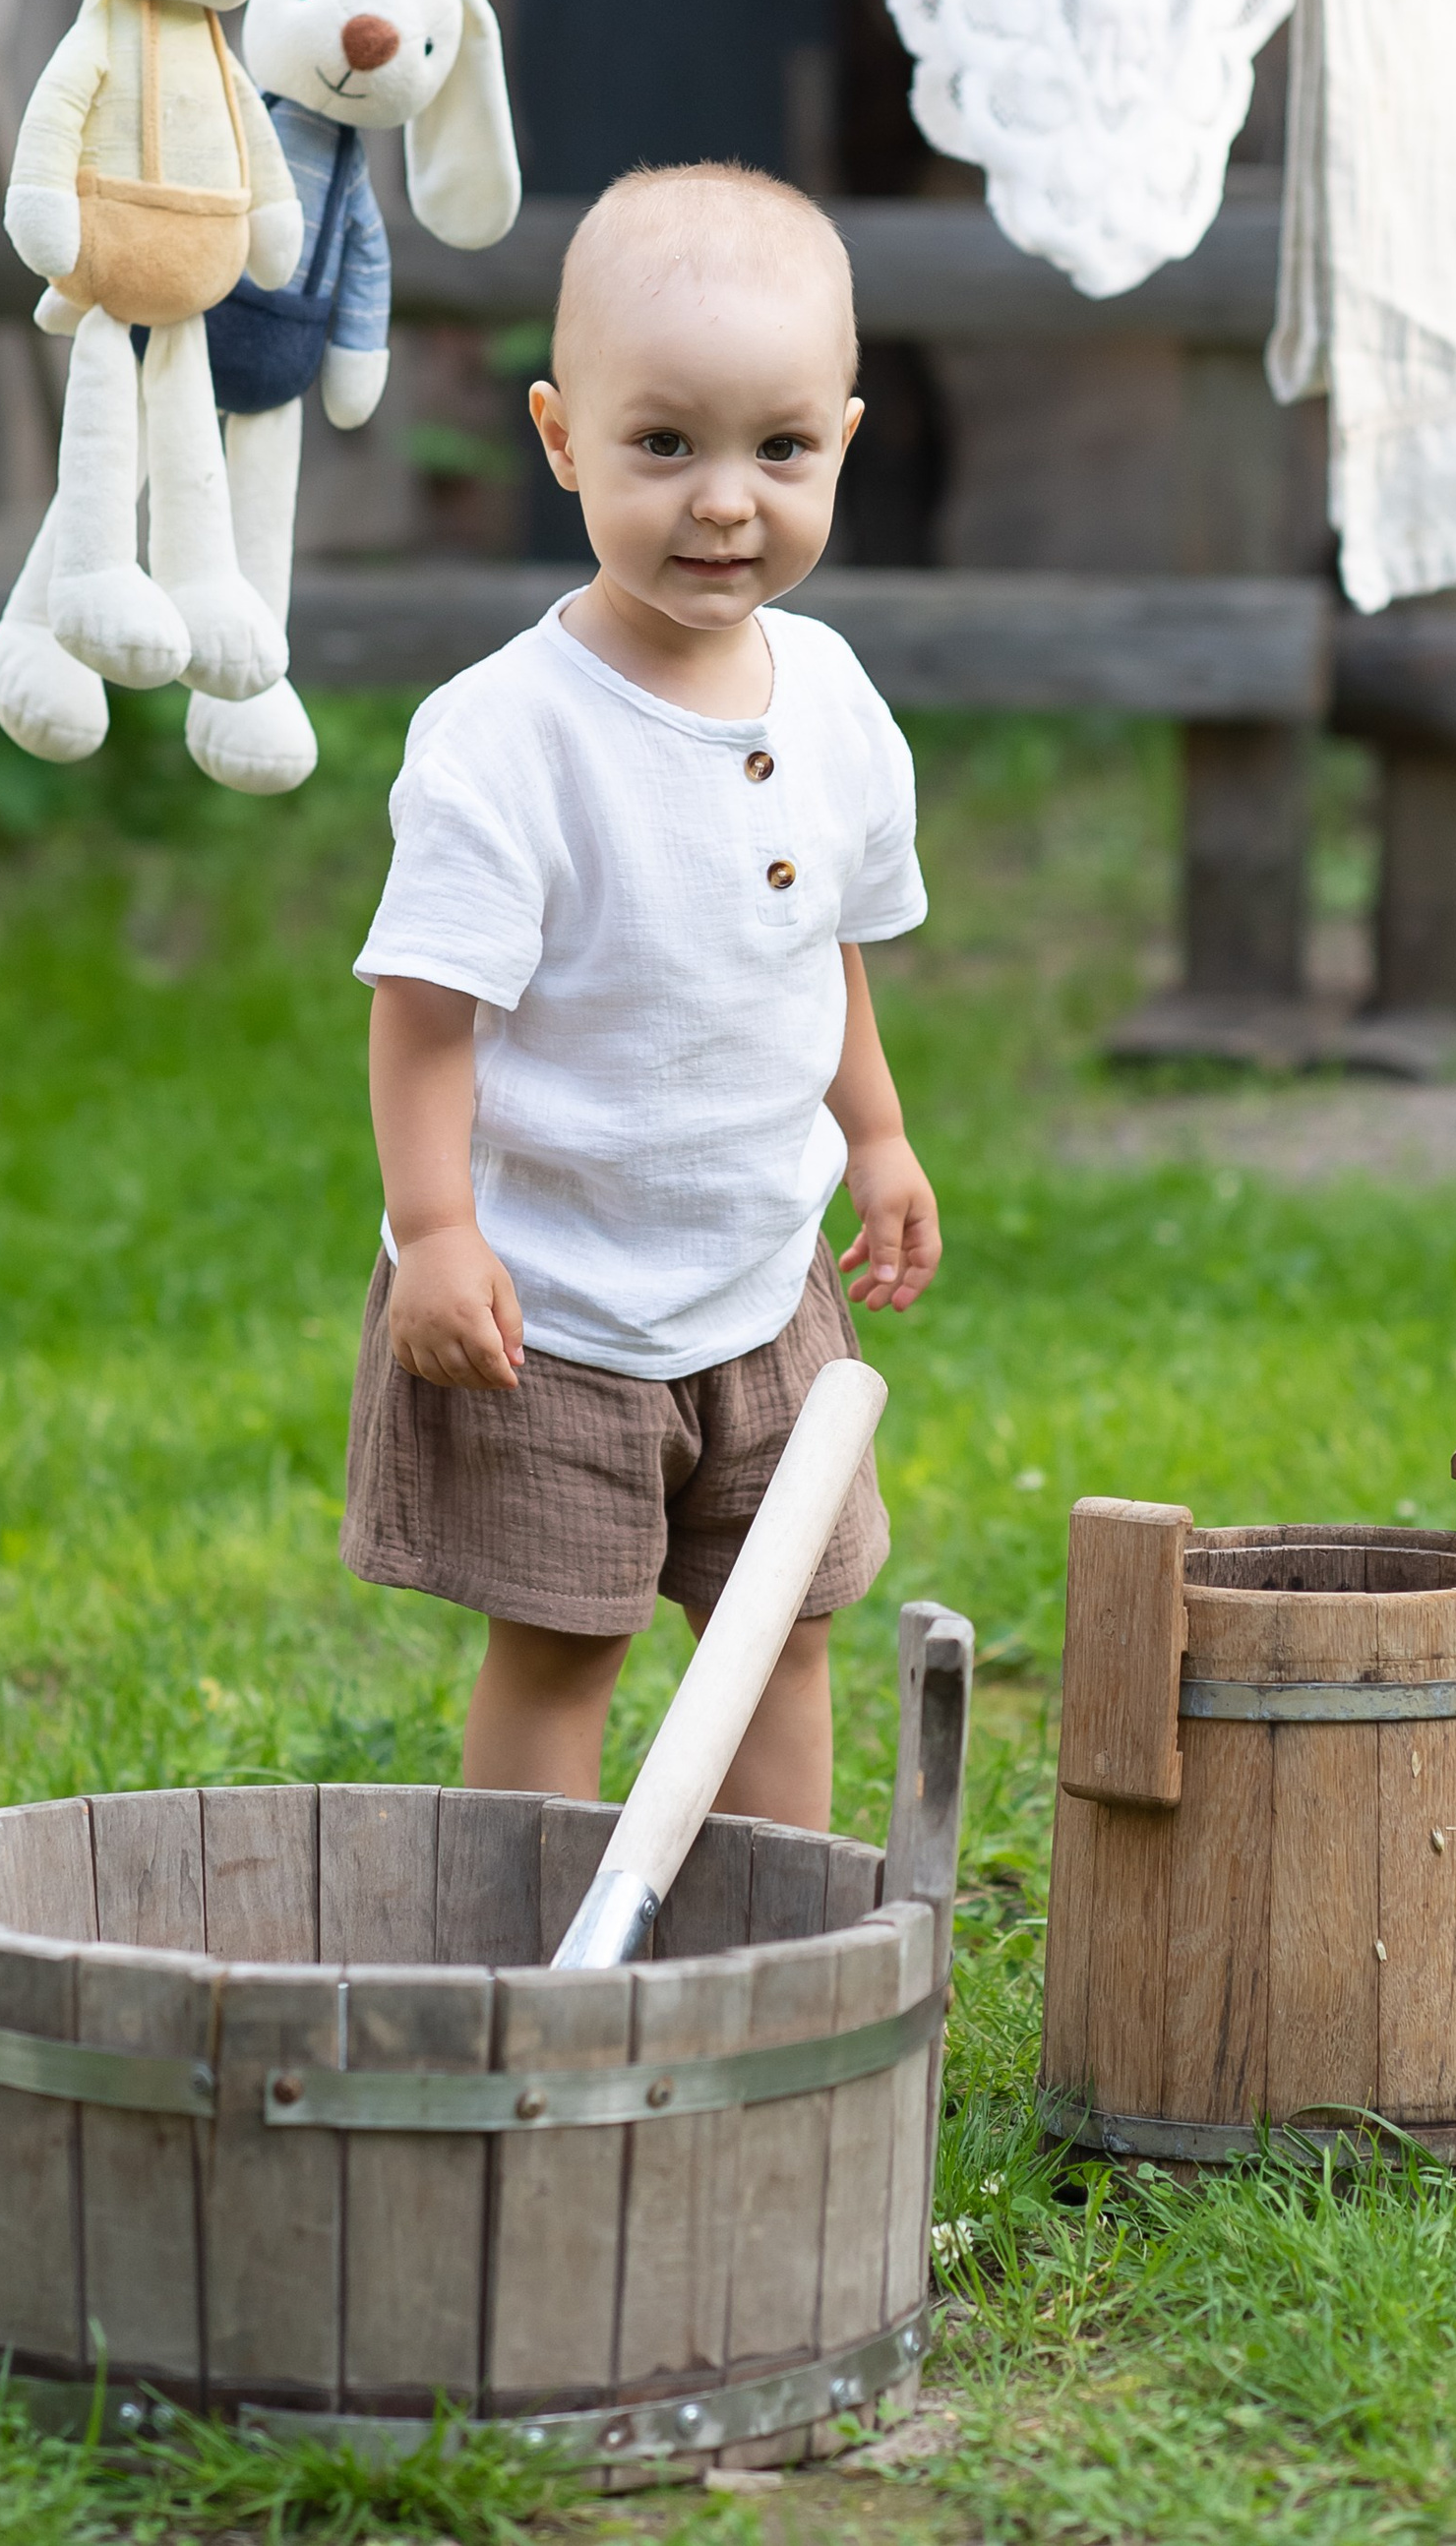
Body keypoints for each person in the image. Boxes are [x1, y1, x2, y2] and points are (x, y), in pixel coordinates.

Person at [343, 160, 940, 1831]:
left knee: (779, 1634)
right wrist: (439, 1232)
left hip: (760, 1272)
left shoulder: (828, 697)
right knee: (564, 1650)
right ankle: (528, 1960)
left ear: (843, 435)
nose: (726, 501)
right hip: (555, 1305)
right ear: (559, 439)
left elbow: (821, 943)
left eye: (780, 448)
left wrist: (877, 1139)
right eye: (663, 445)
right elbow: (427, 1010)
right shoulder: (508, 737)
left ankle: (768, 1947)